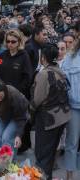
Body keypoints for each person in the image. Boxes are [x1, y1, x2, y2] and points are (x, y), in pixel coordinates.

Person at [30, 43, 71, 180]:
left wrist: (30, 113)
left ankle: (42, 177)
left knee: (42, 155)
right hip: (62, 117)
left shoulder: (44, 74)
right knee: (51, 152)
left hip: (48, 119)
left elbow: (37, 99)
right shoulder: (60, 70)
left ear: (43, 58)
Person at [61, 39, 80, 180]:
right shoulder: (70, 57)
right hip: (74, 106)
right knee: (71, 143)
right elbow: (64, 82)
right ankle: (69, 177)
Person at [0, 29, 32, 99]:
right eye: (8, 41)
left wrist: (18, 91)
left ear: (19, 42)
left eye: (13, 42)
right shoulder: (2, 55)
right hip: (3, 93)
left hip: (17, 95)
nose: (10, 44)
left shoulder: (24, 56)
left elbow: (27, 78)